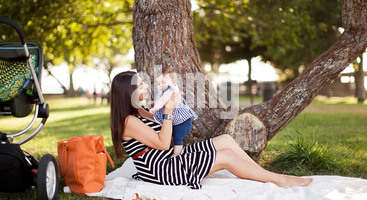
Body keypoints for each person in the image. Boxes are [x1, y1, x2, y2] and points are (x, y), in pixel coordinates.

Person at [110, 71, 312, 190]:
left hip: (167, 157)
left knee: (225, 140)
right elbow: (163, 143)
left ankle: (264, 174)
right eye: (141, 85)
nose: (146, 86)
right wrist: (168, 112)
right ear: (129, 92)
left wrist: (171, 107)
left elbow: (166, 137)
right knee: (224, 156)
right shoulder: (129, 121)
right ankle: (279, 180)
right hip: (161, 170)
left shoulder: (142, 111)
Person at [149, 65, 197, 157]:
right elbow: (162, 101)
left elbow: (163, 100)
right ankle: (172, 151)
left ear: (173, 82)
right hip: (175, 121)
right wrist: (155, 103)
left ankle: (176, 154)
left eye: (163, 82)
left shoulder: (171, 90)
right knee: (170, 137)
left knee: (177, 138)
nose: (160, 85)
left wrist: (155, 108)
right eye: (158, 84)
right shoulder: (163, 92)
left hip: (182, 122)